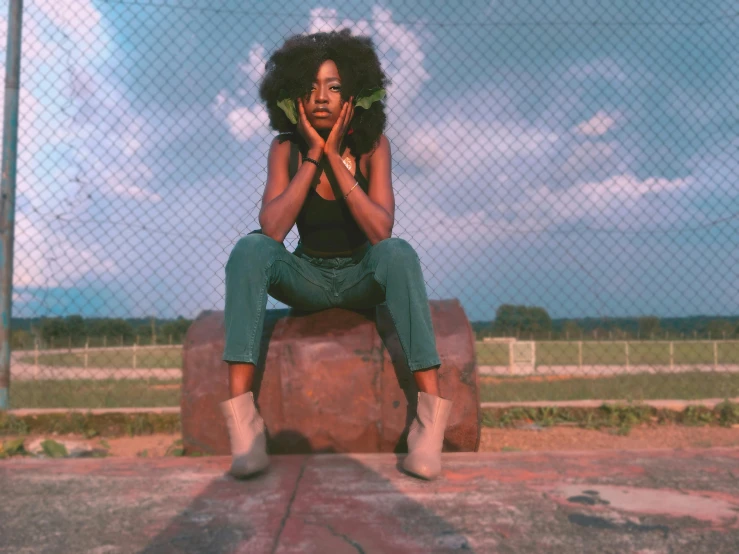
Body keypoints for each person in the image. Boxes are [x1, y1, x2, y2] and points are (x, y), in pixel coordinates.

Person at [219, 30, 452, 480]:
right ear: (293, 97)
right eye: (311, 87)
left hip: (361, 274)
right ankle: (245, 430)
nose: (321, 97)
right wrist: (314, 156)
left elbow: (381, 230)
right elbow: (272, 230)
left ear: (354, 95)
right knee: (249, 247)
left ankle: (429, 425)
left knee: (399, 253)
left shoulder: (372, 146)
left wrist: (337, 156)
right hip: (306, 276)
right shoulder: (285, 149)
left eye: (334, 86)